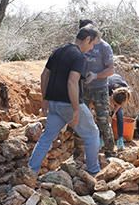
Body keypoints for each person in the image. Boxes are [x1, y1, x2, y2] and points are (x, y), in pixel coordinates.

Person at [28, 27, 103, 175]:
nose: (92, 47)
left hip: (54, 103)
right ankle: (93, 172)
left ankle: (31, 171)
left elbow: (44, 75)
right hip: (69, 104)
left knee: (46, 137)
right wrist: (76, 109)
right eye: (93, 43)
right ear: (87, 39)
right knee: (92, 134)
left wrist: (45, 100)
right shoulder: (79, 57)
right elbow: (72, 82)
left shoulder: (59, 50)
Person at [77, 19, 118, 157]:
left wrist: (96, 75)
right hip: (82, 89)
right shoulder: (79, 46)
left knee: (103, 120)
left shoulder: (104, 47)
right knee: (80, 119)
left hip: (99, 89)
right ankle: (79, 153)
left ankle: (109, 151)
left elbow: (111, 70)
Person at [109, 86, 130, 151]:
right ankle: (101, 138)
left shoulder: (125, 94)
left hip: (117, 96)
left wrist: (114, 112)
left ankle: (120, 139)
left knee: (120, 113)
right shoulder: (108, 88)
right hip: (110, 92)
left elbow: (119, 105)